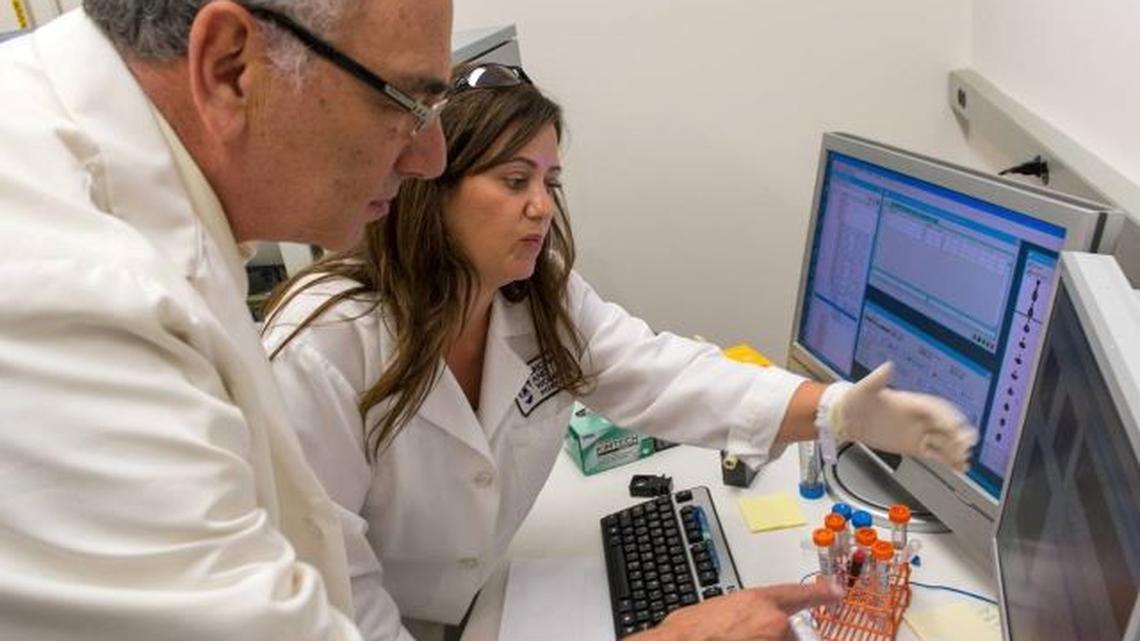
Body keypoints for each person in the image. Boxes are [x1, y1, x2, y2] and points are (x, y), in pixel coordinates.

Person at [260, 65, 978, 641]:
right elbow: (332, 605)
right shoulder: (322, 348)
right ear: (430, 191)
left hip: (482, 604)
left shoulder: (533, 296)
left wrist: (839, 410)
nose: (541, 206)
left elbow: (660, 373)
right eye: (514, 181)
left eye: (550, 182)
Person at [0, 1, 453, 639]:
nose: (429, 158)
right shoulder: (67, 280)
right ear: (231, 67)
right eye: (406, 104)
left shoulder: (134, 200)